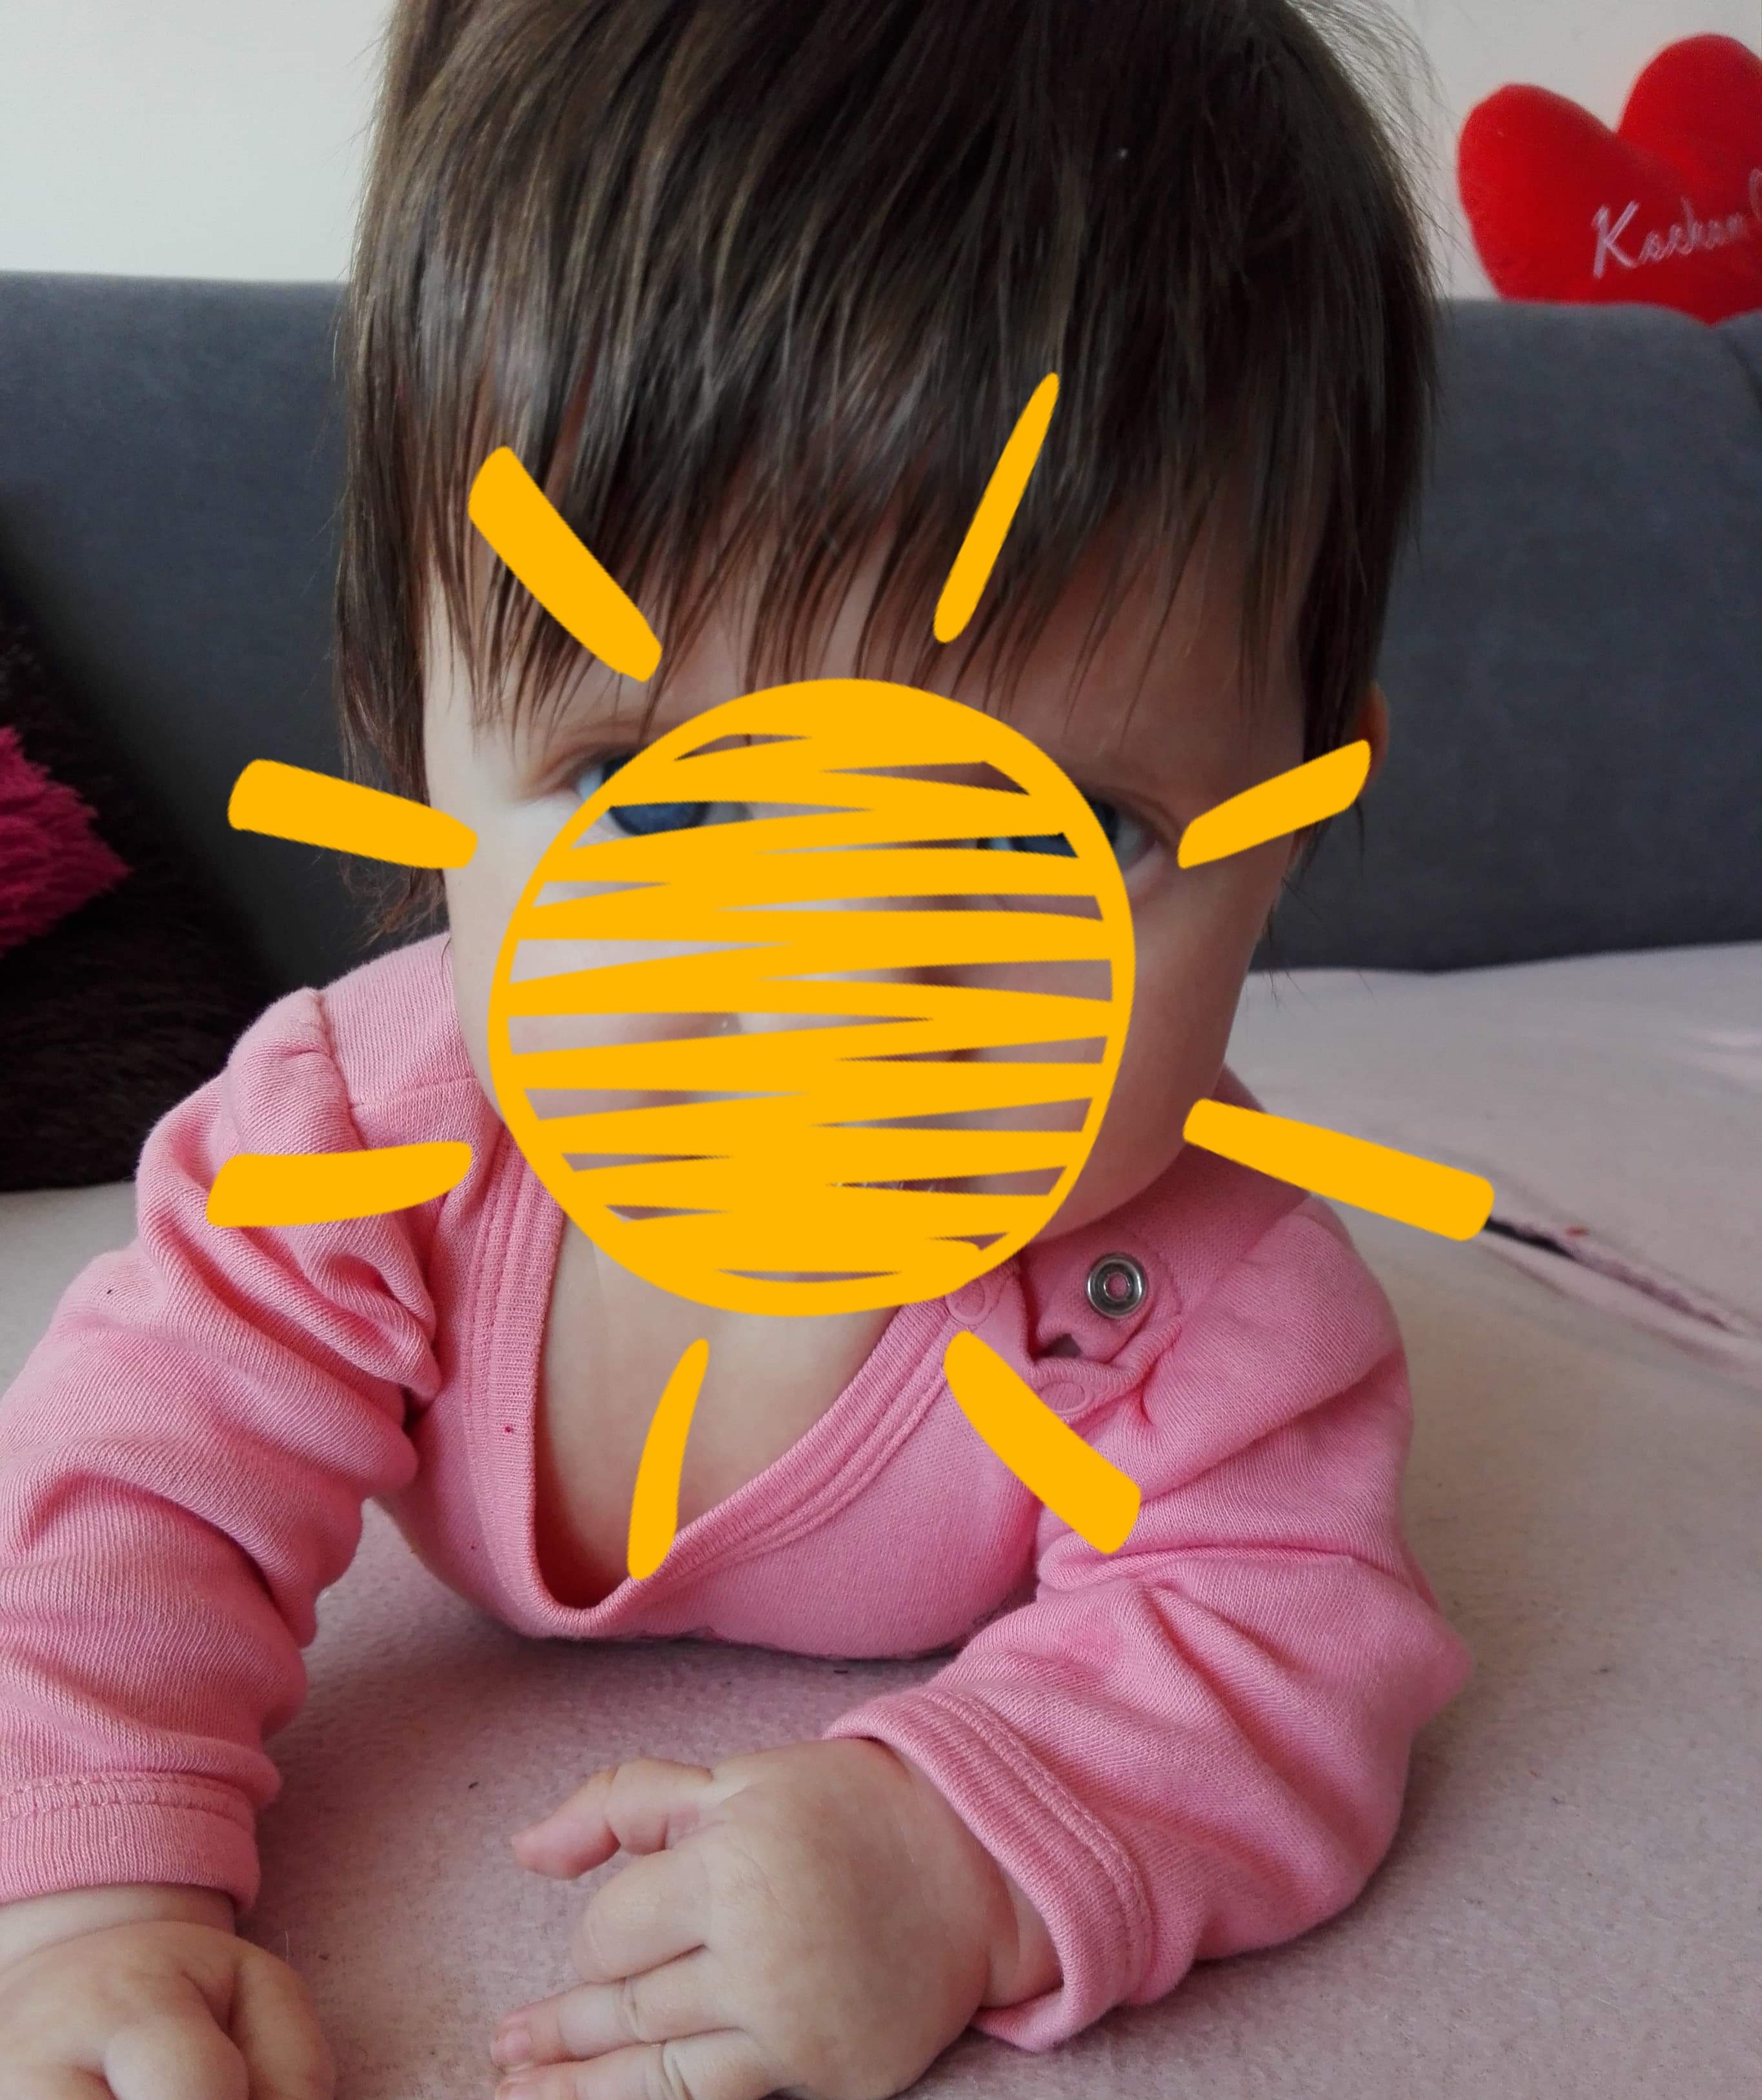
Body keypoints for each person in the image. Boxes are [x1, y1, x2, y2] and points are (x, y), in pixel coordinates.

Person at [0, 3, 1472, 2096]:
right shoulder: (361, 1147)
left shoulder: (1198, 1303)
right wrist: (85, 1903)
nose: (827, 982)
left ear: (1295, 813)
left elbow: (1281, 1641)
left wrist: (956, 1854)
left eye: (1054, 832)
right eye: (650, 793)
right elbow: (127, 1495)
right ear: (411, 731)